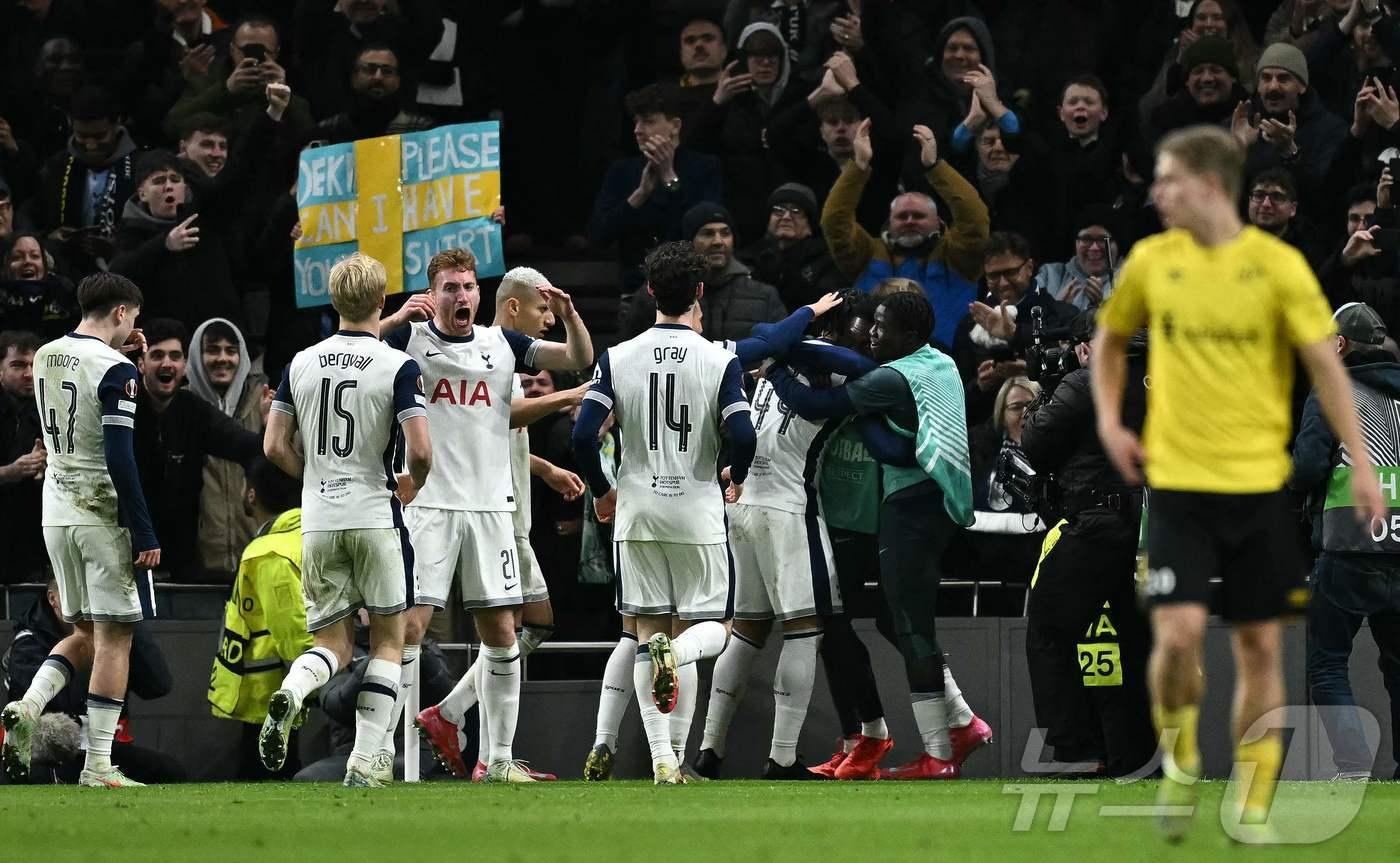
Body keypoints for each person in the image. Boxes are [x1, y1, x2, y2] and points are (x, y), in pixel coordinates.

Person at [1091, 124, 1386, 841]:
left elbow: (1327, 368)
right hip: (1178, 485)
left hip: (1258, 489)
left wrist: (1365, 460)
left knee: (1258, 647)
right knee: (1179, 637)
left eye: (1167, 180)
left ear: (1210, 185)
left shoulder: (1278, 267)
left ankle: (1250, 805)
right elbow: (1106, 340)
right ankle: (1182, 756)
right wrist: (1108, 420)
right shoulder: (1153, 262)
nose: (1156, 194)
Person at [375, 251, 591, 784]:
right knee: (408, 628)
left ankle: (496, 762)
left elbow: (577, 358)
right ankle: (378, 753)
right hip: (430, 505)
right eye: (450, 287)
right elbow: (353, 340)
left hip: (492, 508)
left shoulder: (502, 346)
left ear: (479, 292)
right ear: (434, 294)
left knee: (502, 632)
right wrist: (398, 318)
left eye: (468, 287)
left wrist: (570, 316)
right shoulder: (412, 342)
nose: (461, 296)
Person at [765, 290, 992, 780]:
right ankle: (948, 726)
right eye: (866, 326)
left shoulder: (888, 377)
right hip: (904, 508)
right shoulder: (937, 363)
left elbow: (865, 432)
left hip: (906, 510)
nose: (870, 333)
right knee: (890, 622)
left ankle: (934, 753)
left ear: (908, 336)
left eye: (879, 326)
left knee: (906, 625)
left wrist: (774, 355)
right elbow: (895, 444)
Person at [572, 241, 757, 784]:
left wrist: (603, 491)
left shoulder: (618, 357)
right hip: (696, 510)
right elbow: (741, 433)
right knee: (716, 630)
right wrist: (736, 476)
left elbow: (585, 434)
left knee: (645, 631)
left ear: (650, 291)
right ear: (700, 292)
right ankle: (669, 743)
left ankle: (662, 761)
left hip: (638, 511)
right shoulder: (720, 359)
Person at [258, 252, 433, 788]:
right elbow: (421, 452)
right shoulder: (398, 366)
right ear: (382, 302)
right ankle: (365, 758)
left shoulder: (301, 362)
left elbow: (272, 446)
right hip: (375, 513)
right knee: (388, 640)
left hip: (319, 517)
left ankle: (292, 690)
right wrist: (412, 485)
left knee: (330, 644)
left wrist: (312, 475)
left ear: (333, 303)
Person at [1, 271, 160, 788]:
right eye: (132, 317)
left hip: (56, 512)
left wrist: (127, 357)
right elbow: (119, 454)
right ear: (121, 312)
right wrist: (143, 527)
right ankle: (97, 764)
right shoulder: (116, 369)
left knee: (84, 633)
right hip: (100, 511)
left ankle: (26, 707)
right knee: (116, 640)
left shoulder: (45, 354)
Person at [1021, 316, 1155, 778]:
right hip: (1155, 529)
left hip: (1096, 525)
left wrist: (1048, 388)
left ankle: (1075, 749)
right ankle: (1139, 758)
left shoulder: (1089, 379)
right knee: (1138, 644)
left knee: (1049, 629)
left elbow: (1035, 444)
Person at [1292, 302, 1400, 780]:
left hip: (1347, 548)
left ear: (1339, 345)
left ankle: (1354, 767)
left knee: (1328, 663)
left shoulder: (1332, 394)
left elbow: (1309, 468)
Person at [822, 117, 989, 350]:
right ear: (889, 224)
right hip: (876, 362)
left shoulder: (958, 256)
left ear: (938, 221)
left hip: (949, 363)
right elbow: (834, 222)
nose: (910, 221)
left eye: (918, 216)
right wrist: (858, 167)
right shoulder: (866, 254)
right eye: (902, 216)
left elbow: (975, 218)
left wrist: (935, 167)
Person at [3, 574, 183, 785]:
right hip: (52, 752)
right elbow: (59, 711)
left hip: (103, 750)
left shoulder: (112, 634)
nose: (87, 604)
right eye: (76, 593)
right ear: (53, 599)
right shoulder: (28, 643)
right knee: (36, 775)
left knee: (170, 771)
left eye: (92, 595)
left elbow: (158, 686)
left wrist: (126, 623)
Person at [132, 318, 263, 583]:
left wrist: (273, 432)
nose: (167, 363)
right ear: (141, 364)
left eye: (175, 356)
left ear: (184, 366)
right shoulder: (123, 407)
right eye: (157, 355)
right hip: (130, 562)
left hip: (184, 567)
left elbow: (246, 446)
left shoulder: (193, 410)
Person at [208, 457, 311, 780]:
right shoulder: (306, 537)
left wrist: (308, 680)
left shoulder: (269, 551)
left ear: (251, 494)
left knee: (265, 772)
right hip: (283, 682)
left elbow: (290, 627)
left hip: (267, 687)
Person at [591, 83, 724, 295]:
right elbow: (600, 235)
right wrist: (639, 195)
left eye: (648, 122)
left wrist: (670, 178)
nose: (638, 131)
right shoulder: (622, 170)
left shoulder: (705, 166)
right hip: (635, 289)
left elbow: (704, 230)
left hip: (689, 287)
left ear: (675, 126)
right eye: (636, 122)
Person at [623, 202, 788, 341]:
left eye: (725, 233)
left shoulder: (764, 295)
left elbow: (781, 348)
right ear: (690, 240)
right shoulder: (658, 292)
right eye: (707, 233)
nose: (718, 241)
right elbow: (629, 349)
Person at [187, 317, 270, 579]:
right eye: (212, 350)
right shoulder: (184, 408)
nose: (222, 358)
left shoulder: (263, 403)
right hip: (201, 565)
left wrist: (271, 427)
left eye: (230, 351)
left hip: (257, 559)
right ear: (197, 357)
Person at [31, 87, 139, 274]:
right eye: (81, 136)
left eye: (99, 136)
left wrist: (118, 249)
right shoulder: (56, 165)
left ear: (117, 124)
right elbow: (30, 212)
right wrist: (48, 239)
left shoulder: (140, 166)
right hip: (66, 269)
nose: (90, 145)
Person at [740, 182, 845, 311]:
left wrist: (785, 276)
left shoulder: (825, 260)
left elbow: (829, 303)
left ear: (810, 225)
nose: (786, 217)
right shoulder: (749, 257)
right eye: (779, 210)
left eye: (796, 211)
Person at [312, 45, 434, 144]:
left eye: (387, 71)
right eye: (370, 69)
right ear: (354, 77)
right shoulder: (328, 129)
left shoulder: (420, 130)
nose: (378, 77)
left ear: (398, 81)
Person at [0, 329, 46, 582]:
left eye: (34, 365)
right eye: (18, 365)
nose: (29, 373)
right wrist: (11, 472)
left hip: (32, 544)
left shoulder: (50, 411)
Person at [1245, 167, 1326, 270]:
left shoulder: (1308, 254)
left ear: (1293, 209)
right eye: (1259, 195)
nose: (1266, 204)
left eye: (1277, 197)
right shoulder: (1230, 241)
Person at [1, 232, 78, 340]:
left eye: (35, 256)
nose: (27, 261)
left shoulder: (64, 292)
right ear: (6, 267)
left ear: (45, 265)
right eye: (17, 257)